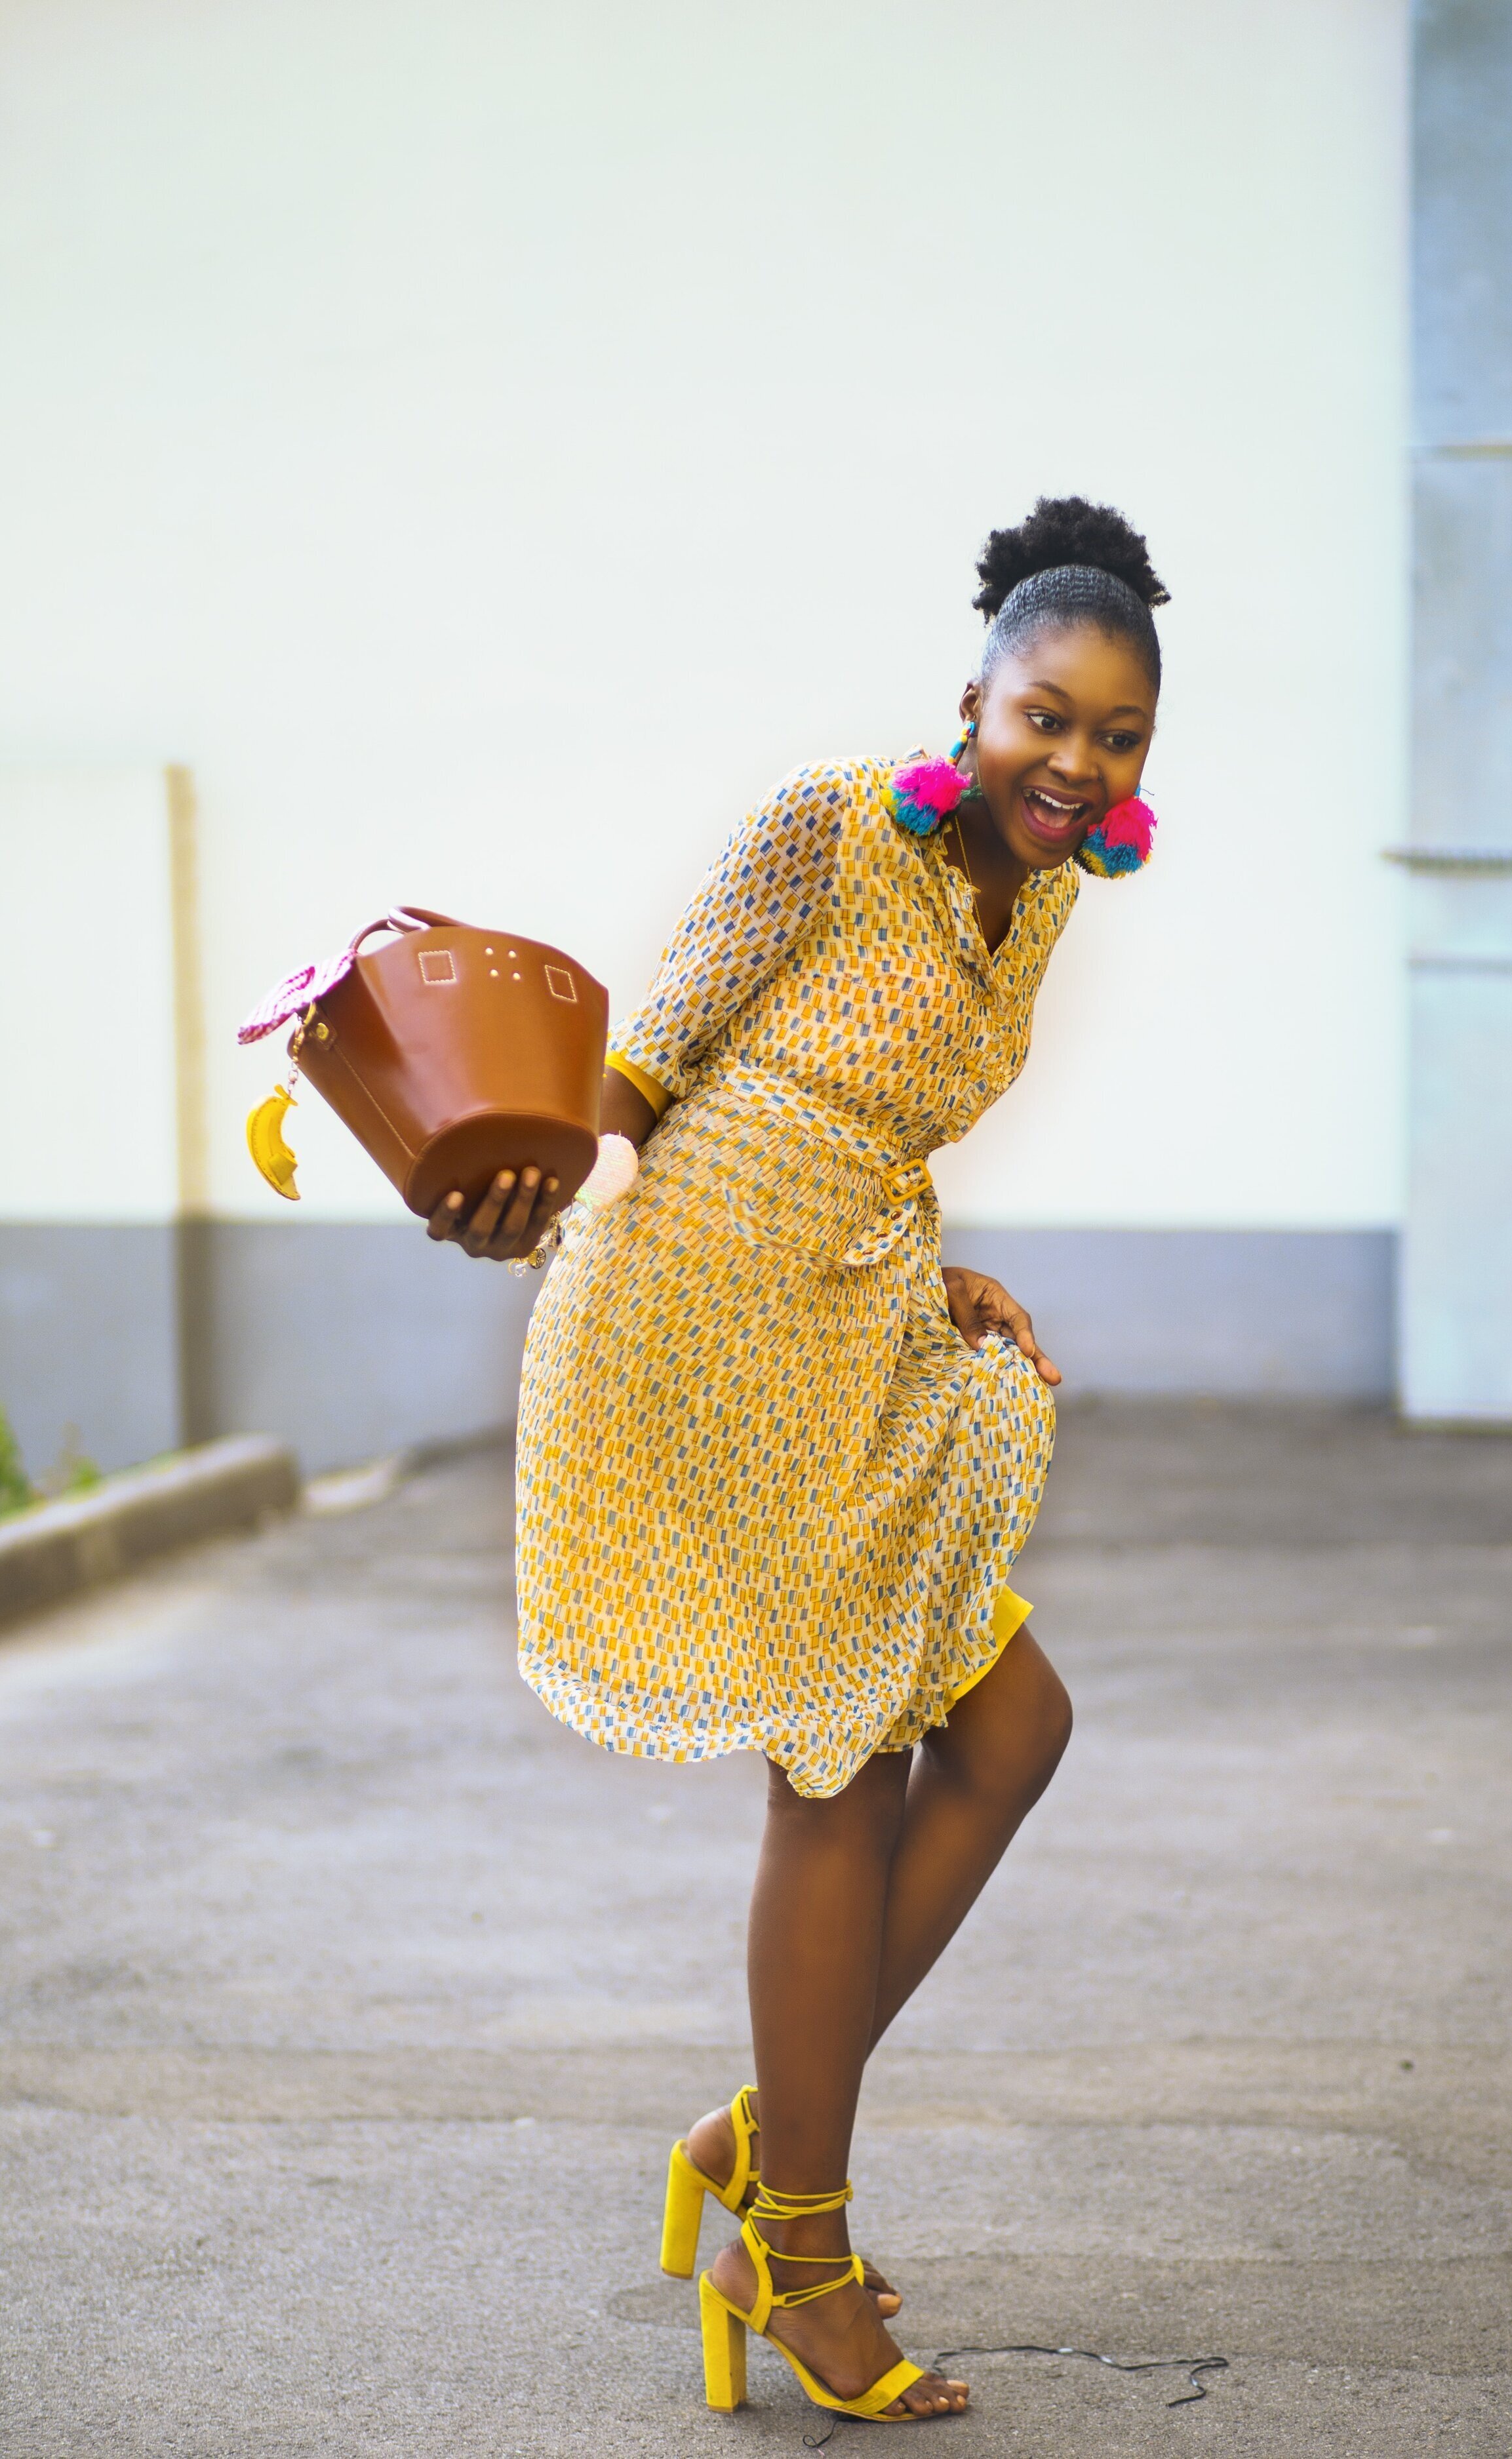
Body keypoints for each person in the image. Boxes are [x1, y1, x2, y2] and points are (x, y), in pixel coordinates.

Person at [429, 494, 1168, 2423]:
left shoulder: (1049, 890)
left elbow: (866, 1114)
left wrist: (937, 1272)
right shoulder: (833, 825)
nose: (1074, 764)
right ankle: (800, 2247)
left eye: (1115, 737)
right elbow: (650, 1063)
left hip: (849, 1318)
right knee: (840, 1771)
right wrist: (528, 1172)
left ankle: (759, 2142)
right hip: (692, 1325)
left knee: (1007, 1731)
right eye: (1045, 718)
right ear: (972, 703)